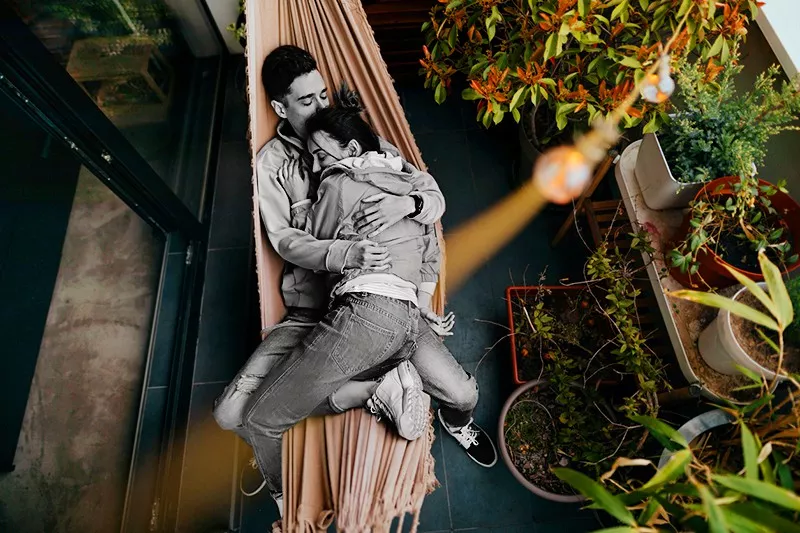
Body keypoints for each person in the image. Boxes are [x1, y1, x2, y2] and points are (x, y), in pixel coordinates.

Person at [213, 45, 496, 517]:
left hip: (382, 300)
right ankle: (359, 398)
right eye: (307, 101)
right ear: (281, 108)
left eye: (323, 94)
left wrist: (404, 205)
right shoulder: (273, 166)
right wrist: (344, 251)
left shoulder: (355, 139)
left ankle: (446, 416)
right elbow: (284, 241)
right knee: (229, 415)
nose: (321, 107)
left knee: (464, 393)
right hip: (311, 311)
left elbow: (427, 191)